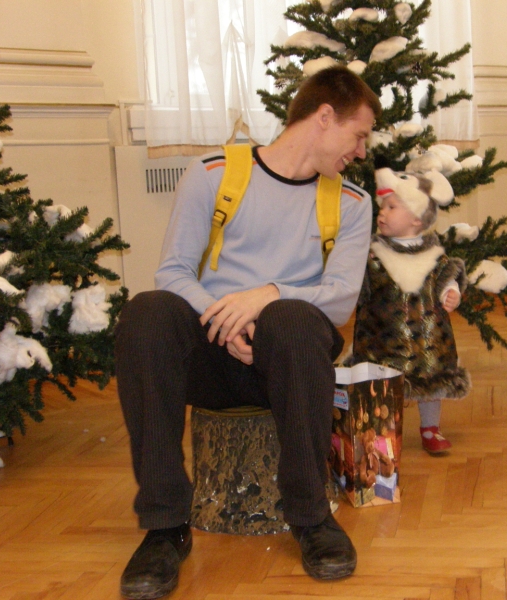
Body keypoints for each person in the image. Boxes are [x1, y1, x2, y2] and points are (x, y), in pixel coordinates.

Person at [114, 65, 382, 600]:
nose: (360, 152)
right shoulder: (213, 173)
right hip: (213, 356)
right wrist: (223, 319)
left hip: (291, 361)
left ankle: (310, 516)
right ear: (324, 117)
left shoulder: (353, 203)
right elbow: (173, 273)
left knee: (292, 319)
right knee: (146, 313)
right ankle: (165, 526)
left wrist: (267, 294)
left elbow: (338, 299)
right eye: (358, 135)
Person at [348, 167, 470, 455]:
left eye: (392, 207)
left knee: (431, 381)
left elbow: (446, 277)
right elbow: (357, 285)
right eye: (382, 207)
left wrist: (451, 292)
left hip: (427, 340)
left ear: (416, 218)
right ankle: (381, 431)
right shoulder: (372, 253)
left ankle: (430, 428)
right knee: (380, 384)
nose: (382, 213)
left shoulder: (433, 254)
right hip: (381, 338)